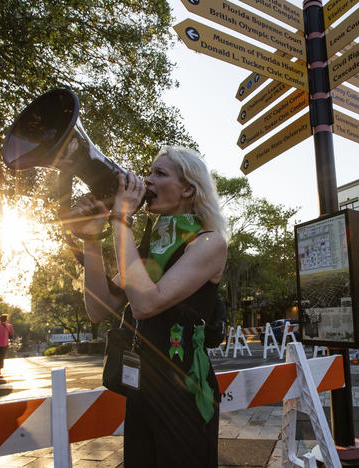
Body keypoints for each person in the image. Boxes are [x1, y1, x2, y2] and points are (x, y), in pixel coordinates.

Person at [66, 146, 227, 468]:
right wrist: (90, 238)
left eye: (159, 173)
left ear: (187, 188)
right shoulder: (148, 248)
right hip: (143, 388)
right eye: (148, 171)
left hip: (186, 394)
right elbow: (100, 309)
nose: (145, 180)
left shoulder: (209, 242)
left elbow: (145, 304)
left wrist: (120, 219)